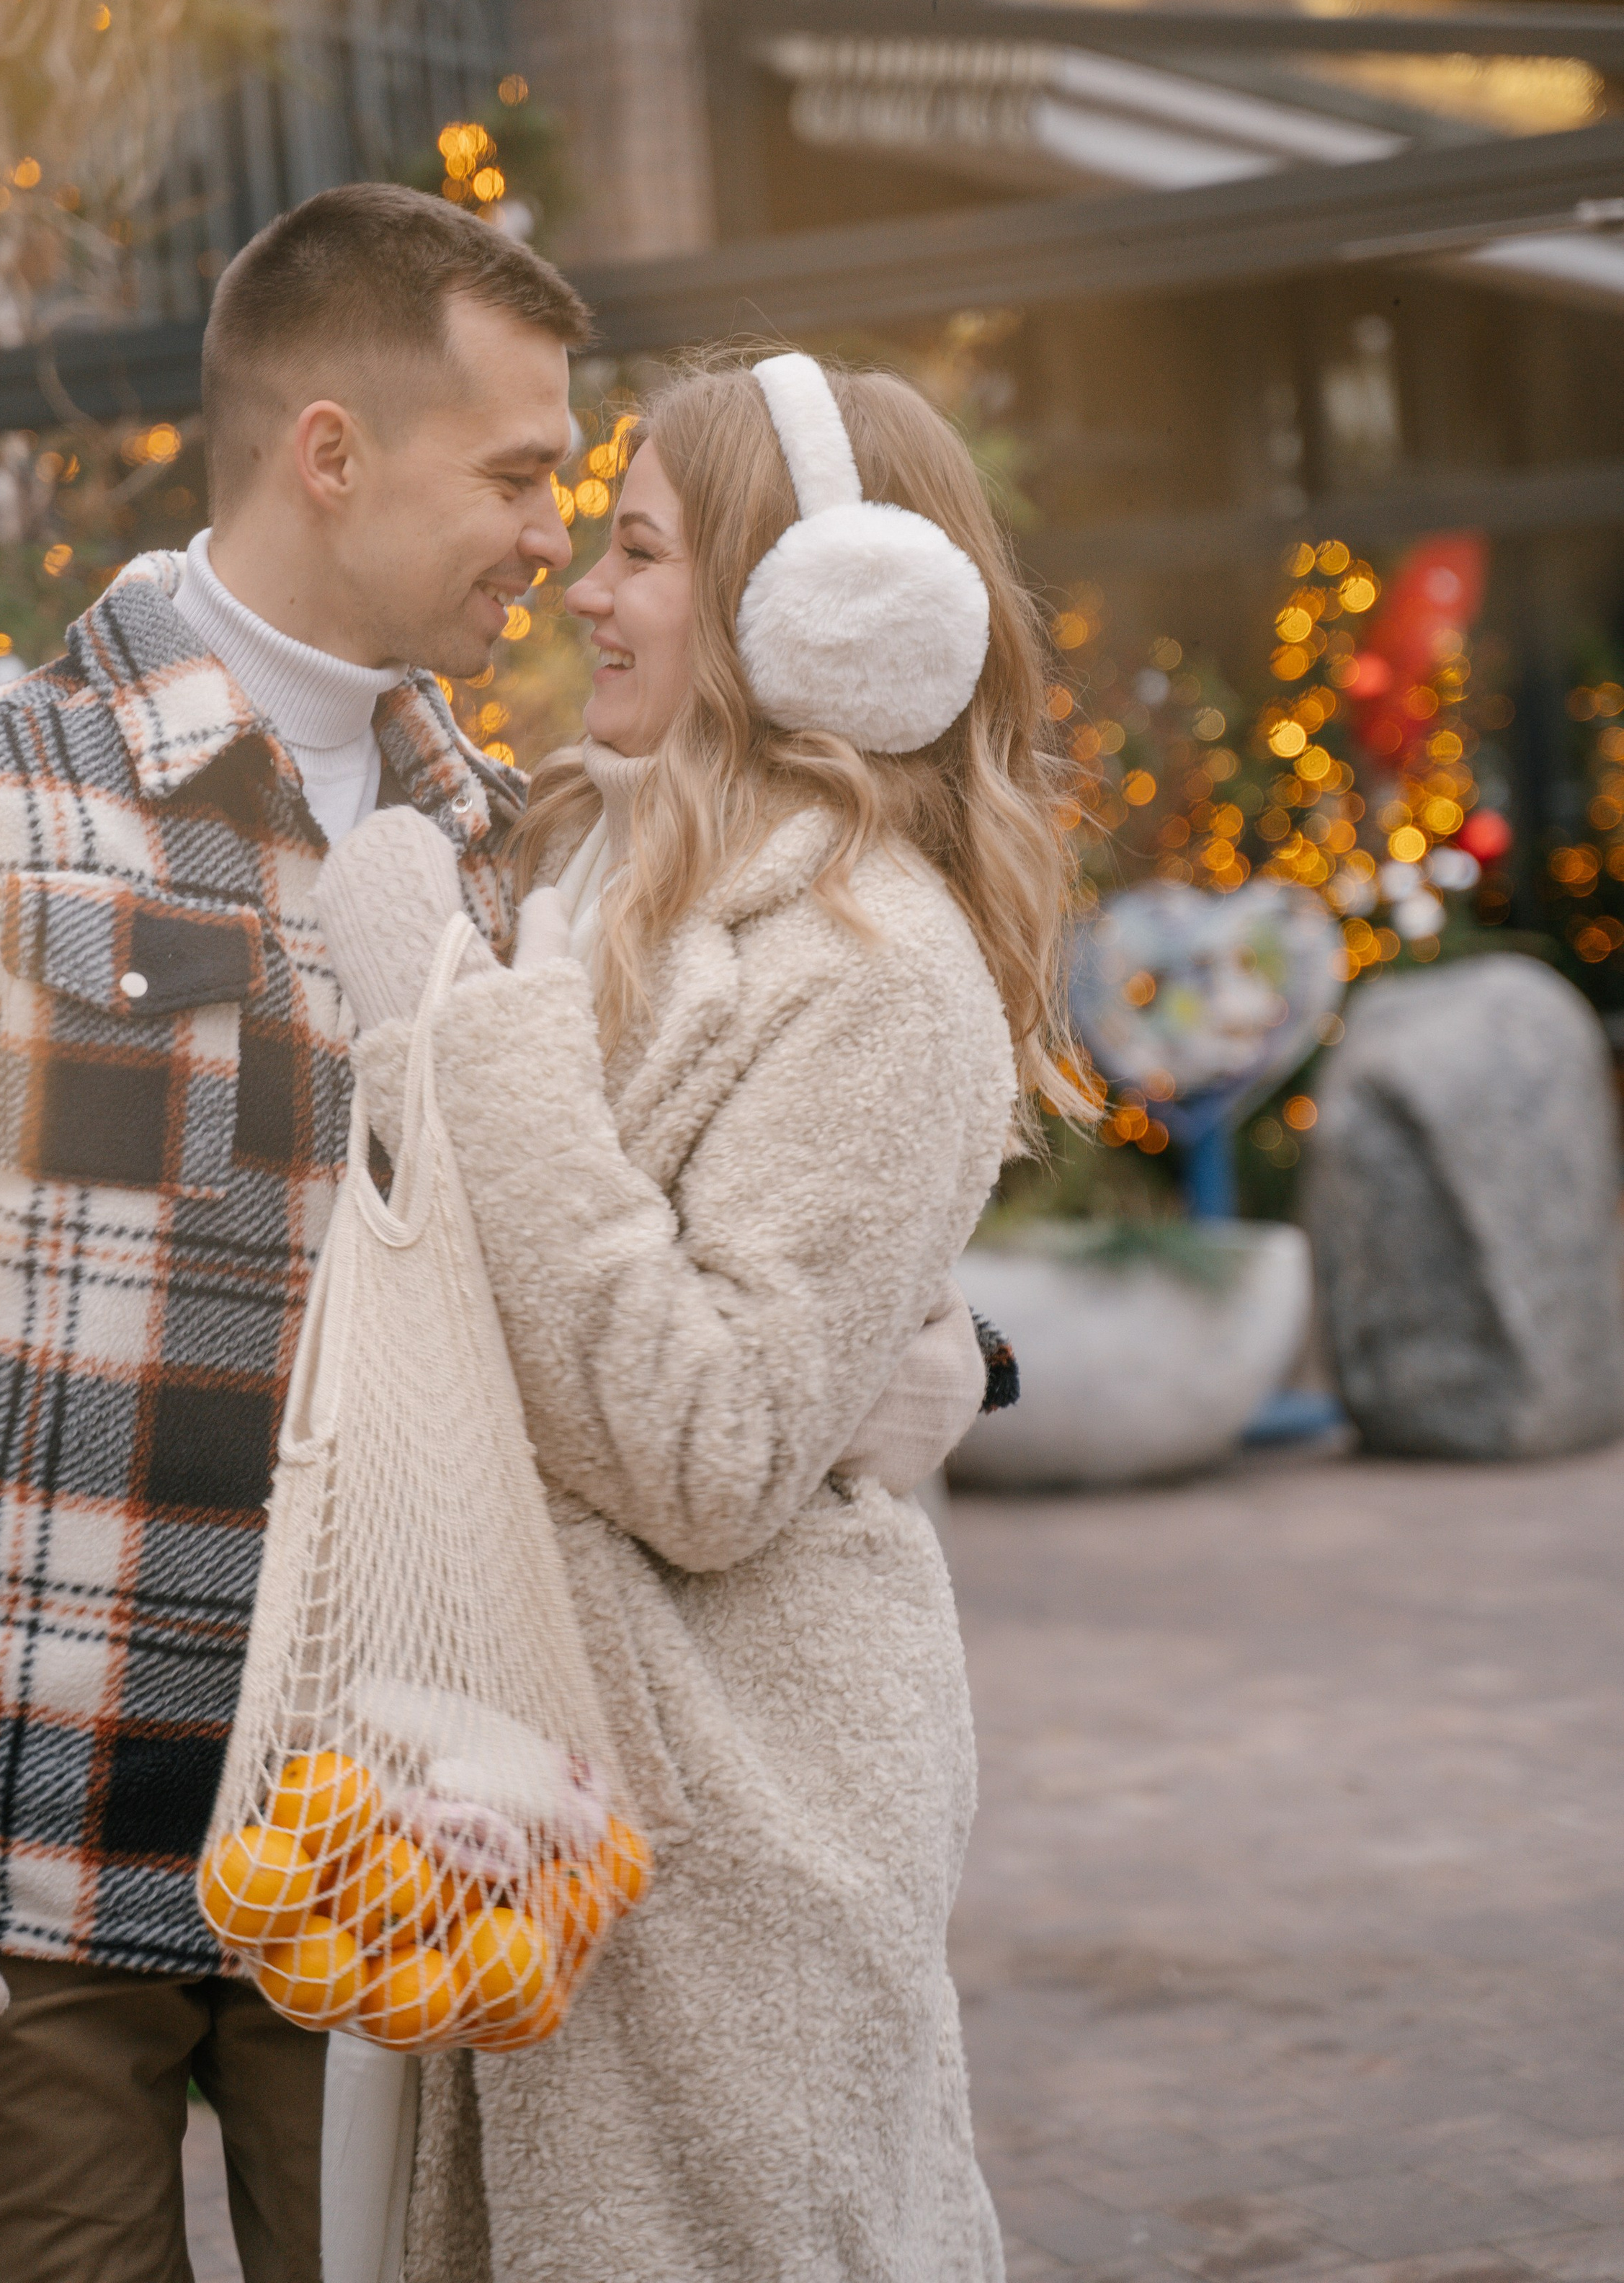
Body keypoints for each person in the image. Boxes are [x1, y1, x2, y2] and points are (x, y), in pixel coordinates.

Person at [0, 194, 984, 2281]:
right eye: (522, 480)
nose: (549, 544)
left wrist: (942, 1349)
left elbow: (705, 1213)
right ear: (331, 451)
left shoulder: (524, 851)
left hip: (408, 1843)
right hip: (38, 1853)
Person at [316, 352, 1081, 2282]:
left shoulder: (879, 958)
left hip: (739, 1829)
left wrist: (452, 1041)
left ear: (798, 610)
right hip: (556, 1796)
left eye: (640, 545)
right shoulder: (616, 888)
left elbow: (711, 1449)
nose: (583, 585)